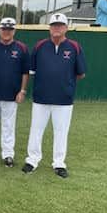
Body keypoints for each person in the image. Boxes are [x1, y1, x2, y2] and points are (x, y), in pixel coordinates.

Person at [22, 13, 87, 178]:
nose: (57, 28)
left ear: (66, 28)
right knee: (36, 129)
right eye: (54, 25)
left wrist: (65, 83)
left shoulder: (74, 47)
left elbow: (80, 73)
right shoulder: (40, 46)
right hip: (41, 97)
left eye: (60, 25)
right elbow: (32, 70)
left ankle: (59, 163)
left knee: (61, 131)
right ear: (50, 28)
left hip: (64, 99)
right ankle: (32, 160)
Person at [0, 17, 29, 167]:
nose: (6, 32)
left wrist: (22, 90)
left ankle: (8, 154)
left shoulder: (21, 48)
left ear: (14, 31)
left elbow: (25, 72)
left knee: (9, 125)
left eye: (9, 29)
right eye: (4, 29)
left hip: (12, 93)